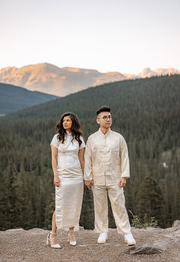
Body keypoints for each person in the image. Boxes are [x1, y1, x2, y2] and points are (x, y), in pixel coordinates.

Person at [84, 106, 136, 246]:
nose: (108, 119)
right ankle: (103, 232)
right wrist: (87, 177)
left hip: (115, 178)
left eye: (109, 117)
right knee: (100, 206)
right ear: (98, 120)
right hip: (97, 178)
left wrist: (124, 176)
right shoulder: (92, 139)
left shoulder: (118, 138)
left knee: (119, 205)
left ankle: (127, 233)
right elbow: (87, 159)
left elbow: (124, 157)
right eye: (105, 117)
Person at [47, 112, 85, 248]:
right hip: (63, 176)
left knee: (74, 205)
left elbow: (82, 160)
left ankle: (71, 233)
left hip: (76, 176)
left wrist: (85, 176)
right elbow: (53, 159)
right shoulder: (57, 138)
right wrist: (55, 175)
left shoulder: (79, 138)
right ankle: (53, 235)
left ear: (73, 122)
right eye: (64, 120)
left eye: (68, 120)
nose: (65, 123)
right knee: (60, 205)